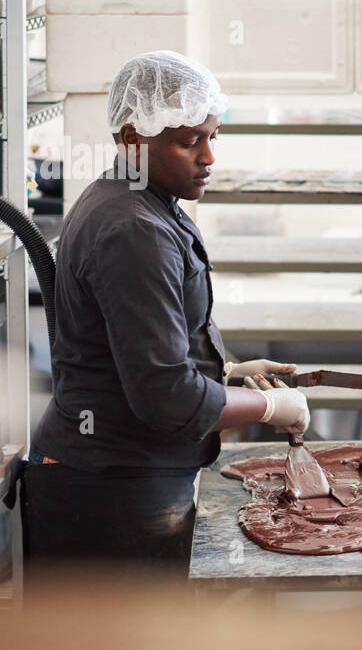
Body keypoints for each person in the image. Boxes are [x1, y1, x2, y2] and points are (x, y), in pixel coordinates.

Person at [21, 51, 308, 582]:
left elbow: (145, 347)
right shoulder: (134, 230)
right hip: (110, 491)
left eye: (212, 137)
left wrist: (225, 374)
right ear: (132, 139)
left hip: (123, 475)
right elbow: (164, 395)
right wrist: (269, 406)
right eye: (188, 141)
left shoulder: (141, 203)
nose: (209, 157)